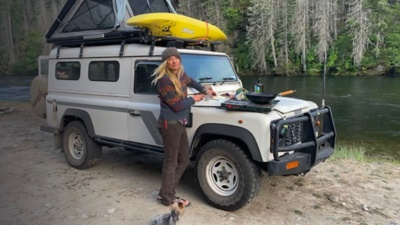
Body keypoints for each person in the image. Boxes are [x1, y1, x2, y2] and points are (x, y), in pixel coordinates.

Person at [151, 47, 215, 206]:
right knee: (171, 161)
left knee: (184, 159)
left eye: (176, 58)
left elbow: (191, 81)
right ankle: (167, 197)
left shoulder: (180, 74)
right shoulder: (163, 80)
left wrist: (205, 90)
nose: (174, 61)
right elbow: (177, 106)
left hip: (179, 123)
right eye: (170, 59)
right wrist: (195, 99)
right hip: (170, 125)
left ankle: (165, 192)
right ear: (165, 62)